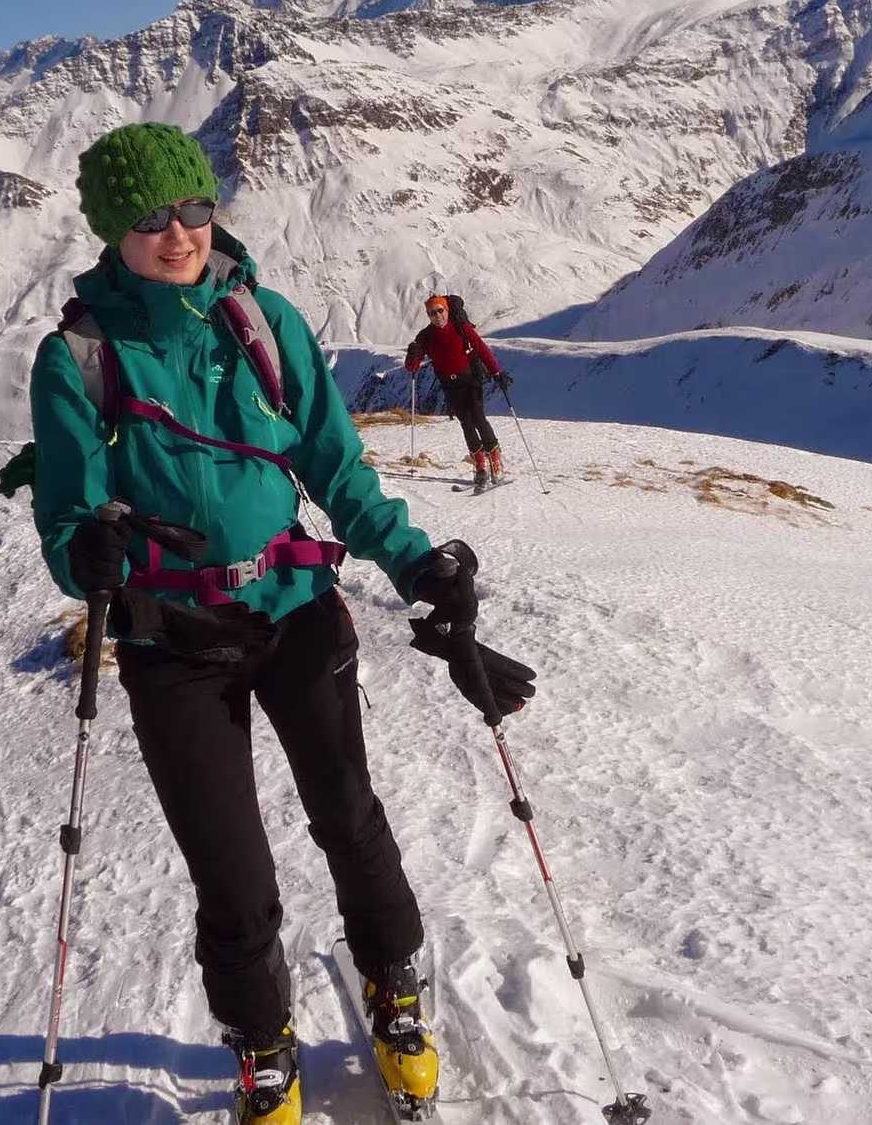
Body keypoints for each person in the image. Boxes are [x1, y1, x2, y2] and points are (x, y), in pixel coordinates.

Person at [27, 123, 536, 1125]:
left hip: (296, 610)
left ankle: (393, 984)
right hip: (171, 640)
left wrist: (415, 562)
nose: (178, 232)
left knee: (348, 813)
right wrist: (87, 557)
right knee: (230, 865)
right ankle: (261, 1042)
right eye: (150, 217)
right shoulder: (78, 357)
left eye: (193, 207)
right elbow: (67, 519)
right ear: (112, 232)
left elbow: (338, 470)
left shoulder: (263, 321)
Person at [404, 295, 514, 488]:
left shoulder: (462, 328)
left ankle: (495, 461)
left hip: (470, 380)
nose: (437, 315)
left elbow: (481, 349)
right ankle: (480, 465)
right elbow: (412, 366)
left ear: (447, 310)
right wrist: (412, 356)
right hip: (450, 385)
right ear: (428, 315)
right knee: (466, 424)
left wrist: (496, 372)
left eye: (440, 311)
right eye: (432, 313)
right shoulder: (426, 336)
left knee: (478, 419)